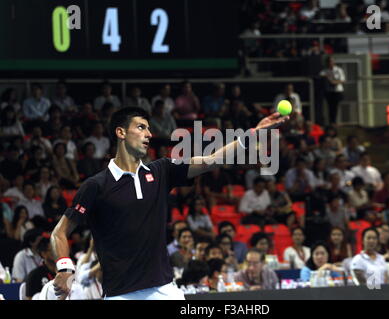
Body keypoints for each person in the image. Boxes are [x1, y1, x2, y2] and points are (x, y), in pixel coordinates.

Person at [51, 106, 288, 300]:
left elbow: (211, 160)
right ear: (121, 133)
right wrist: (64, 268)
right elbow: (59, 233)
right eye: (141, 127)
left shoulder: (161, 170)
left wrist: (254, 133)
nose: (149, 134)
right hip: (120, 294)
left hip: (164, 290)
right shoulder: (96, 185)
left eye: (149, 129)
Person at [319, 56, 346, 125]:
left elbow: (343, 80)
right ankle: (331, 122)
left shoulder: (338, 70)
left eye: (331, 61)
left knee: (335, 107)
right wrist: (327, 79)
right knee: (330, 107)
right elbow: (321, 75)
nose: (330, 63)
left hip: (337, 91)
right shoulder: (325, 71)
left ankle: (335, 121)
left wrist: (334, 82)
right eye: (328, 62)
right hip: (329, 92)